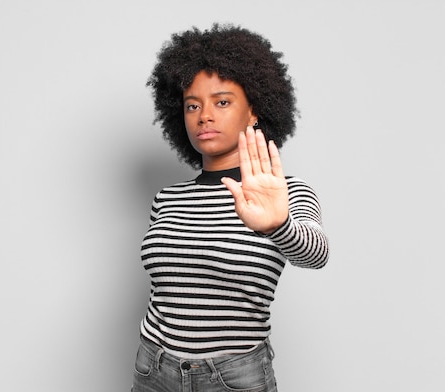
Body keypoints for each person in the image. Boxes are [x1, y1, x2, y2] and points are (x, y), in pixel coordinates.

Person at [131, 23, 329, 392]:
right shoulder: (168, 198)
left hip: (233, 377)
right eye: (193, 105)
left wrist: (277, 225)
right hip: (153, 369)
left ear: (254, 111)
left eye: (222, 102)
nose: (204, 115)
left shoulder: (286, 193)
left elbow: (316, 253)